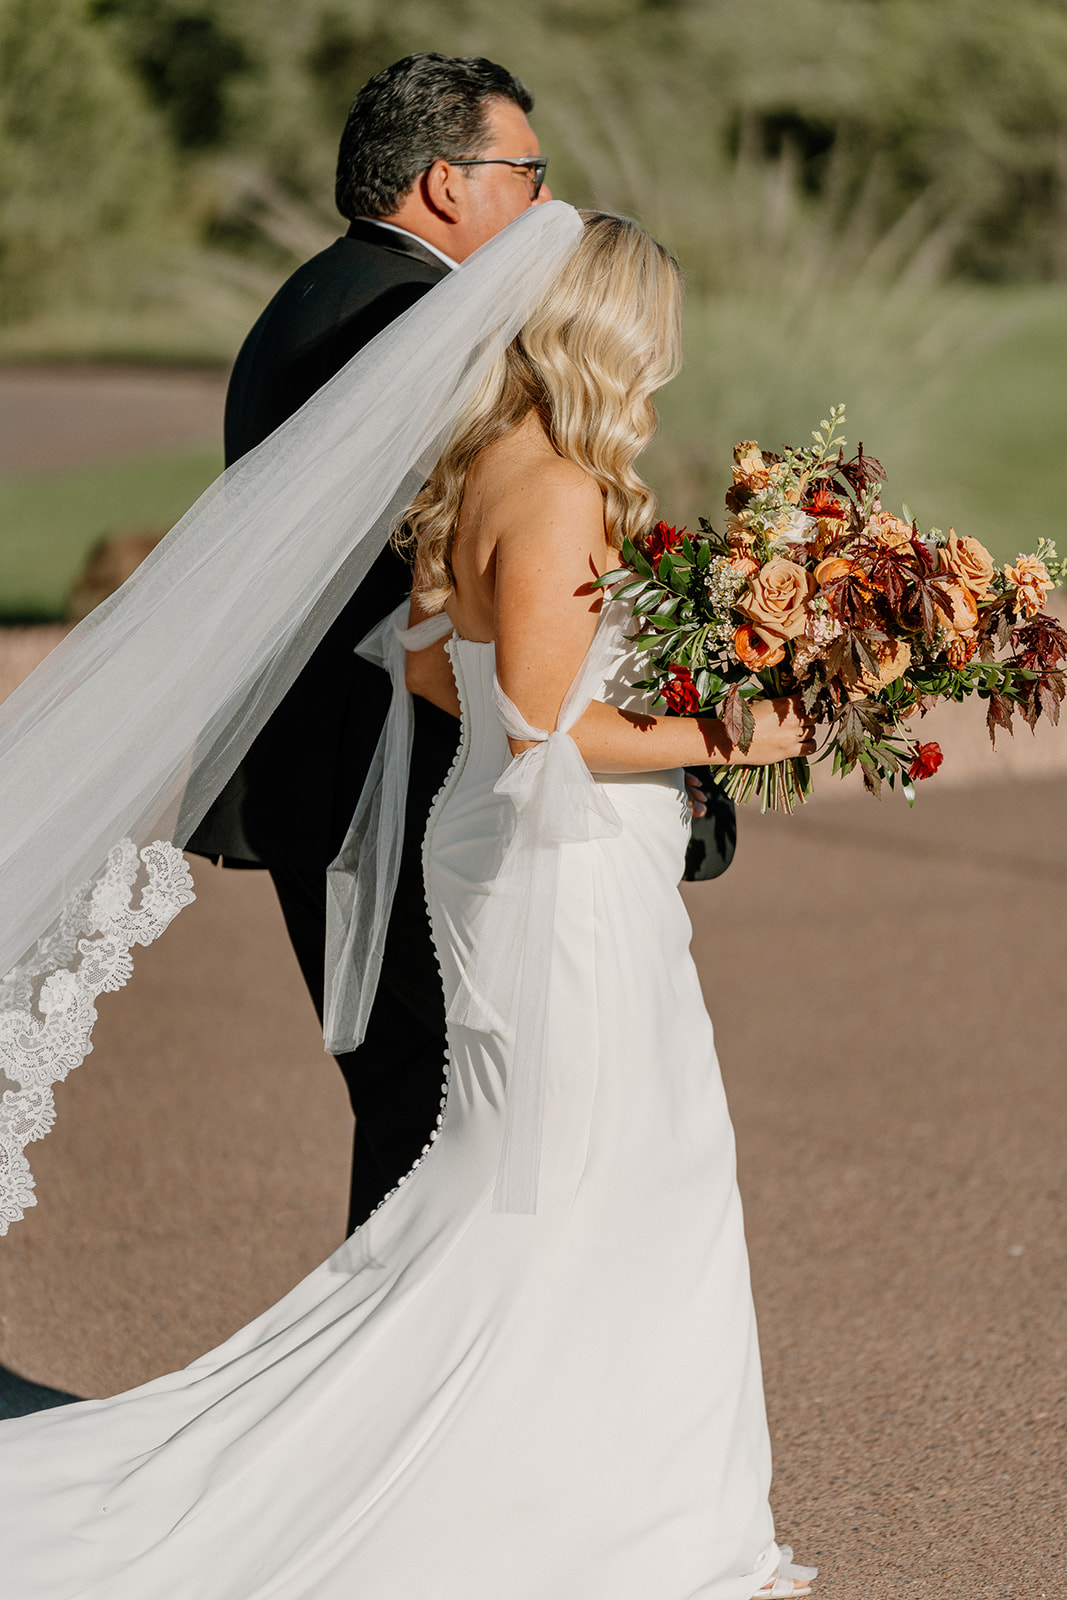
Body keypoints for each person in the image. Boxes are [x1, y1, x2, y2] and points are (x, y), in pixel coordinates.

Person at [0, 206, 816, 1598]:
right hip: (556, 875)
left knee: (527, 1172)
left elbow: (436, 676)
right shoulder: (558, 486)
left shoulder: (478, 462)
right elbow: (545, 732)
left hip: (496, 854)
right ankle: (593, 1498)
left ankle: (582, 1466)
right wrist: (735, 734)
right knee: (612, 1161)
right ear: (618, 336)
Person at [189, 52, 735, 1235]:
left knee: (422, 1114)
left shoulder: (313, 300)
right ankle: (385, 1403)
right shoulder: (412, 323)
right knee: (434, 1123)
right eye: (528, 172)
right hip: (379, 775)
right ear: (446, 181)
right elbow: (466, 603)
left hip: (329, 765)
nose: (548, 205)